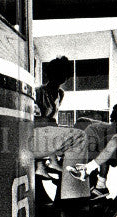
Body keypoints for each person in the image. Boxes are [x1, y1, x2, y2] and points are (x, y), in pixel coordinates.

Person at [32, 56, 90, 201]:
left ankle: (62, 182)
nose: (62, 77)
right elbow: (35, 118)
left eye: (64, 74)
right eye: (58, 73)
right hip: (38, 130)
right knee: (74, 136)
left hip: (49, 129)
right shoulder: (39, 92)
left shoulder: (60, 94)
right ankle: (49, 164)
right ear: (51, 75)